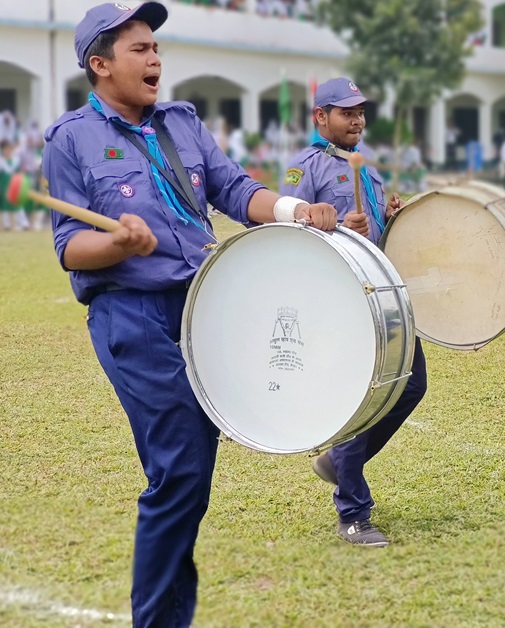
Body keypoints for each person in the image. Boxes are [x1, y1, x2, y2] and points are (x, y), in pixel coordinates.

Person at [43, 4, 338, 625]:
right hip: (131, 315)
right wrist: (117, 244)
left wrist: (292, 209)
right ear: (100, 65)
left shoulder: (180, 123)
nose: (155, 59)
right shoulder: (72, 139)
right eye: (139, 50)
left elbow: (234, 189)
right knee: (181, 466)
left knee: (188, 464)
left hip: (204, 306)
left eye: (155, 47)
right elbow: (70, 245)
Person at [279, 77, 427, 548]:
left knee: (412, 383)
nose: (357, 119)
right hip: (338, 299)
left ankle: (339, 459)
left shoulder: (367, 168)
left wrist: (391, 213)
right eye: (346, 112)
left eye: (360, 111)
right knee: (357, 401)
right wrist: (339, 227)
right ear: (320, 117)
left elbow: (377, 234)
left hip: (384, 296)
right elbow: (287, 231)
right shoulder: (303, 169)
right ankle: (353, 513)